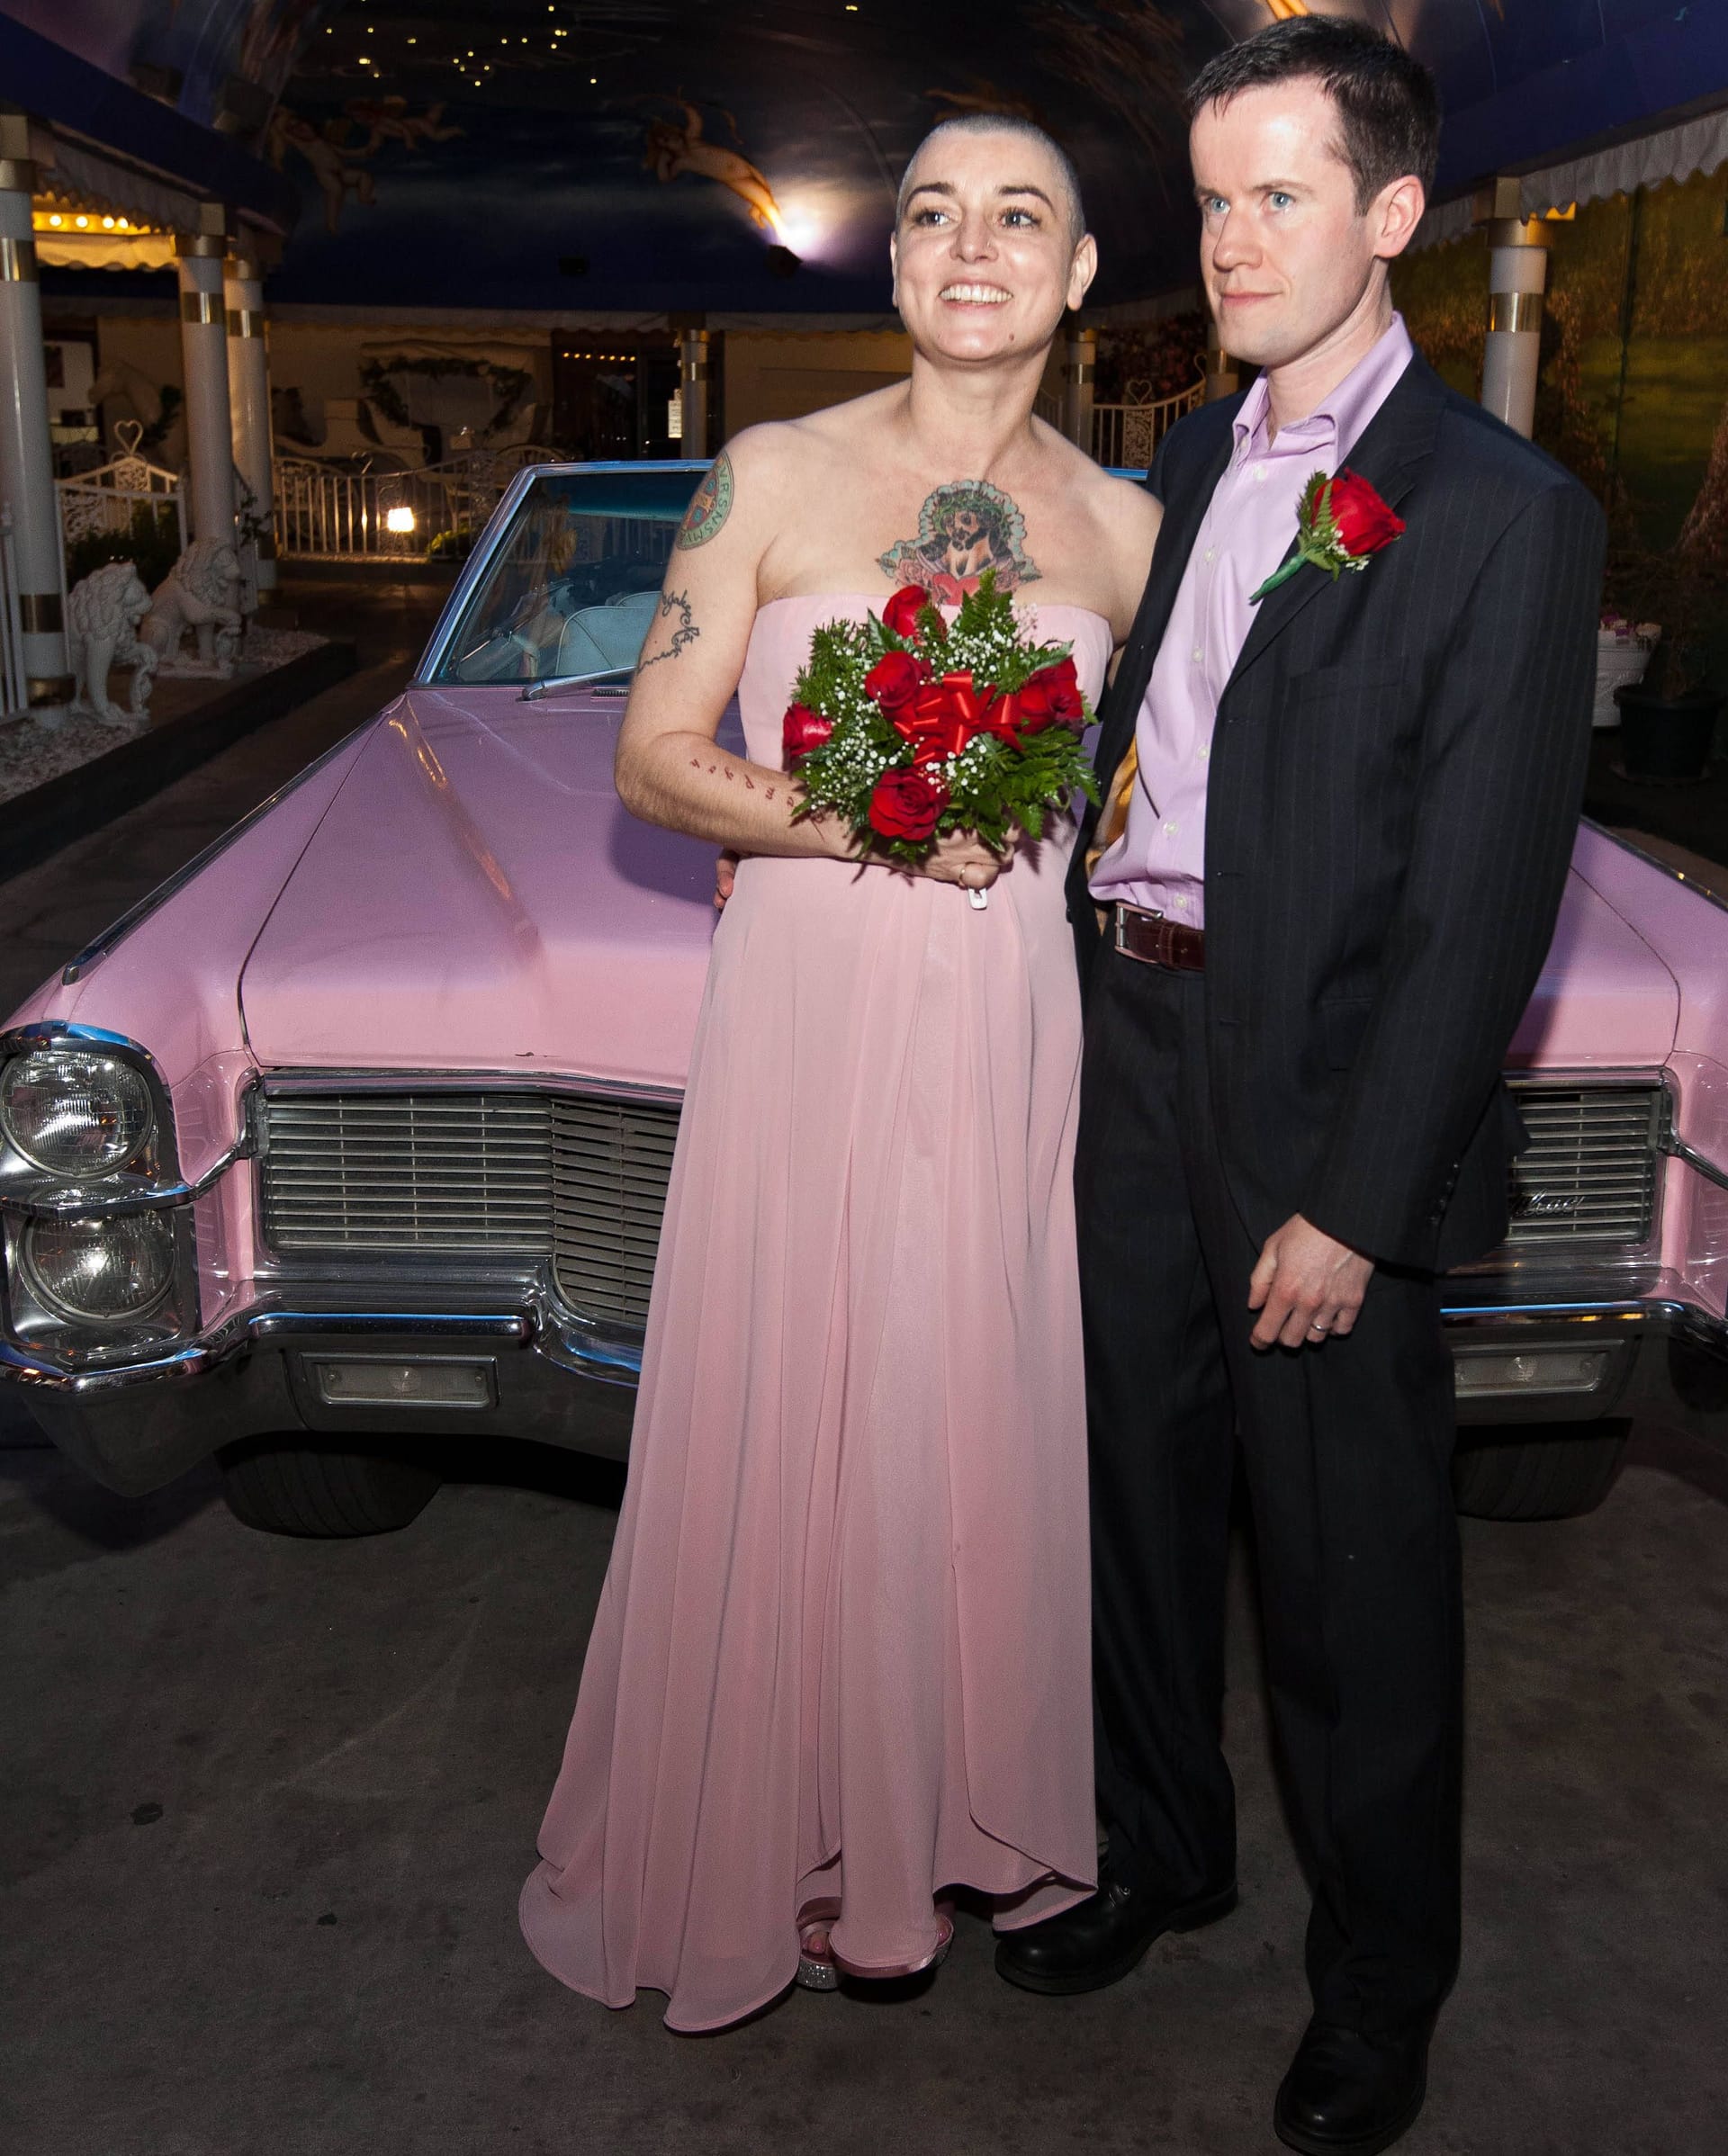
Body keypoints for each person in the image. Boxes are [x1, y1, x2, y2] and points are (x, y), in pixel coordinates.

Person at [994, 22, 1605, 2156]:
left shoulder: (1502, 513)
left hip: (1321, 1091)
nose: (1232, 238)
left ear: (1392, 214)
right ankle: (1165, 1850)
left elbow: (1482, 906)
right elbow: (1144, 764)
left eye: (1278, 194)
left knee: (1349, 1582)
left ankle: (1380, 1988)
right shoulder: (1174, 467)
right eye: (1216, 197)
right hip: (1126, 1043)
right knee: (1136, 1513)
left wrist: (1358, 1197)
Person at [520, 114, 1160, 2034]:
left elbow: (1156, 818)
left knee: (957, 1412)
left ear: (1076, 277)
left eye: (1019, 217)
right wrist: (867, 808)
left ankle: (937, 1829)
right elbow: (649, 754)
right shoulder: (772, 472)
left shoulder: (1136, 535)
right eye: (935, 217)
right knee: (805, 1395)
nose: (974, 247)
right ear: (894, 271)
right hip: (804, 1015)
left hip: (1005, 1033)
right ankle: (777, 1835)